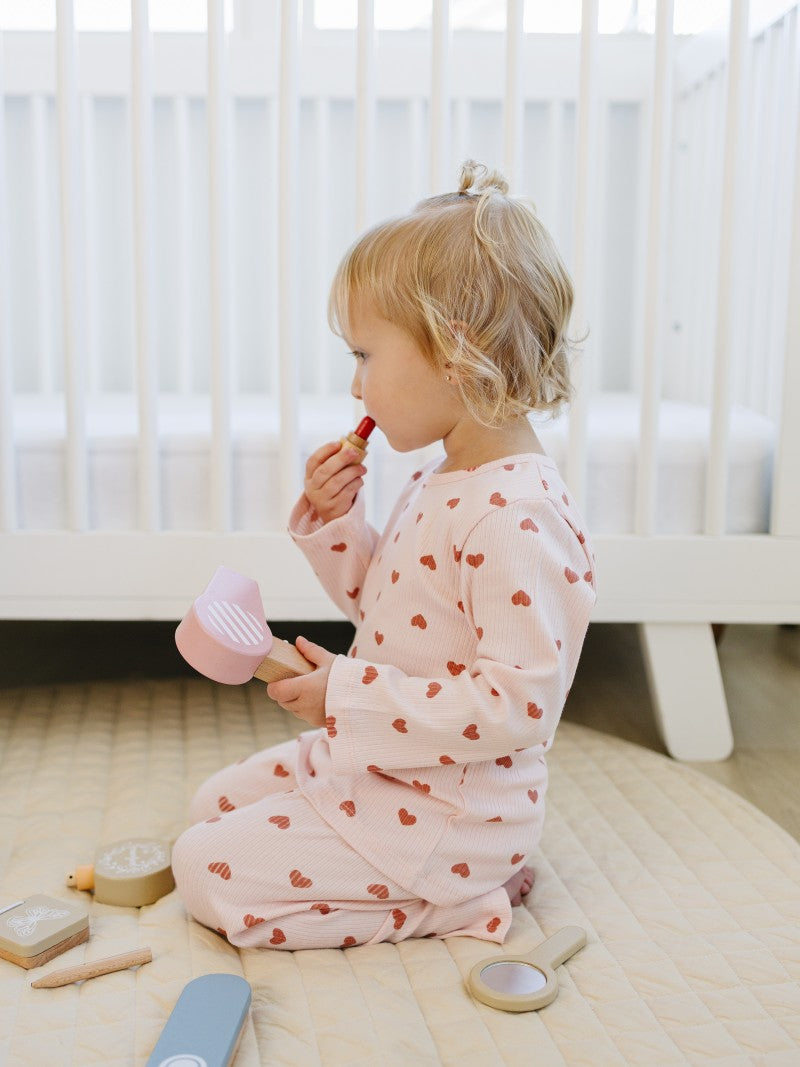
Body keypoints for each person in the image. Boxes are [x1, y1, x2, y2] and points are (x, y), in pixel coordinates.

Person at [171, 160, 596, 951]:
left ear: (455, 351)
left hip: (444, 816)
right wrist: (338, 521)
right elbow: (394, 612)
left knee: (203, 869)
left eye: (365, 356)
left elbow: (518, 705)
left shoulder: (517, 517)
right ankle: (421, 867)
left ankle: (459, 900)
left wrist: (348, 693)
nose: (357, 389)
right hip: (383, 764)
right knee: (209, 807)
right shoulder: (445, 479)